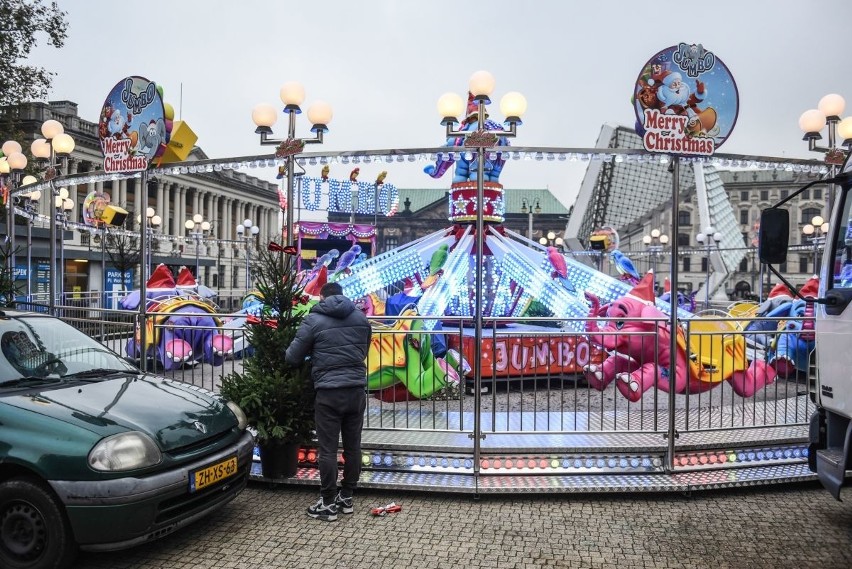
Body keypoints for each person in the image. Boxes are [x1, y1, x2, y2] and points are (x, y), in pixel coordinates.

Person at [285, 281, 372, 521]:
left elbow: (292, 357)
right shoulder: (361, 318)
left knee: (328, 450)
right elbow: (362, 351)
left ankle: (328, 502)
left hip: (328, 392)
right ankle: (347, 497)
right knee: (353, 446)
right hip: (356, 390)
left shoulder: (314, 319)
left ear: (322, 297)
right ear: (343, 296)